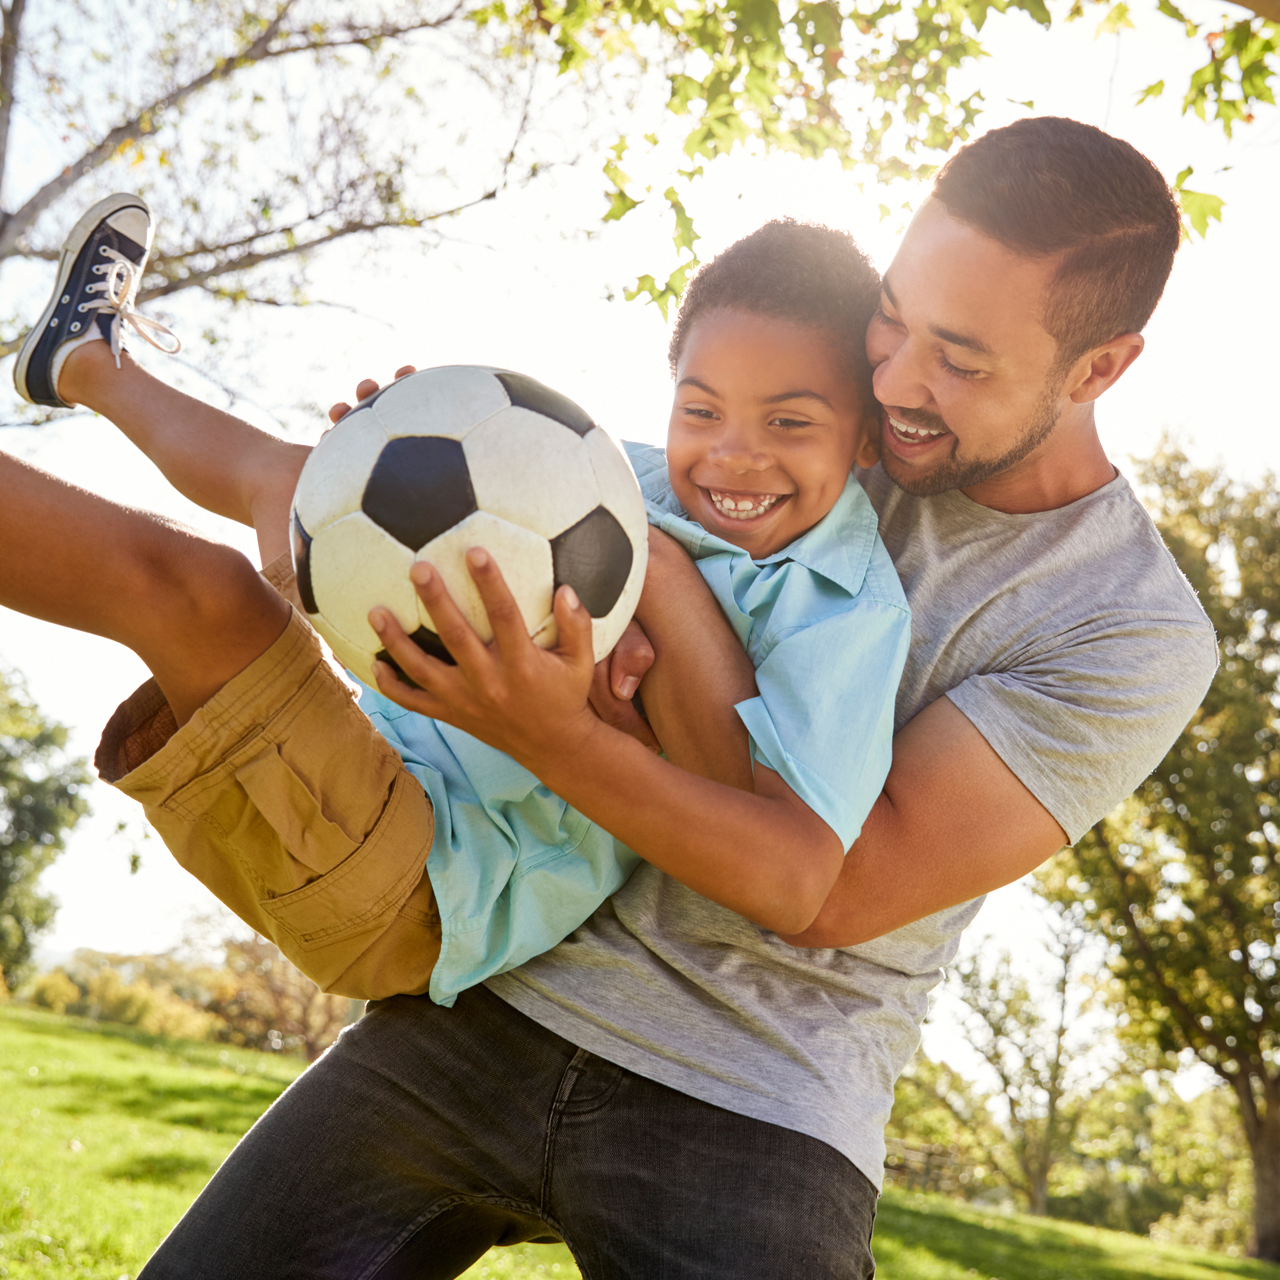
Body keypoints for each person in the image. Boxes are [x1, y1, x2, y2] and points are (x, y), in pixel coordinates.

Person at [13, 116, 1220, 1278]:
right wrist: (391, 475)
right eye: (892, 322)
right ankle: (90, 363)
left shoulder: (1123, 624)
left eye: (957, 358)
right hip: (493, 987)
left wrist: (599, 677)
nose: (897, 375)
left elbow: (826, 889)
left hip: (754, 1090)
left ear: (1099, 366)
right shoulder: (760, 412)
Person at [13, 204, 909, 1009]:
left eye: (788, 424)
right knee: (290, 482)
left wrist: (658, 584)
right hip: (395, 717)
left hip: (429, 878)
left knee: (199, 594)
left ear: (867, 436)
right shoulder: (614, 472)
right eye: (701, 412)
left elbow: (782, 865)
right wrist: (380, 463)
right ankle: (83, 364)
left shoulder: (843, 607)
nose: (732, 458)